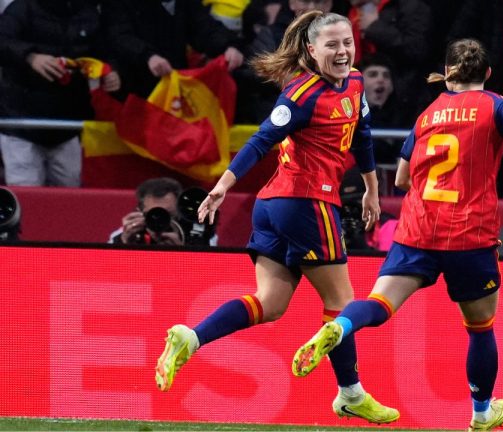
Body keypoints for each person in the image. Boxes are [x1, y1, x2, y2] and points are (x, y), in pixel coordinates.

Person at [291, 39, 503, 431]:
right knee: (480, 326)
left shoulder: (427, 114)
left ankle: (340, 327)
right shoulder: (497, 105)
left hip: (418, 230)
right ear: (488, 74)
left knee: (378, 304)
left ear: (447, 73)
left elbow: (402, 178)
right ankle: (480, 413)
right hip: (469, 234)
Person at [153, 11, 399, 424]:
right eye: (332, 45)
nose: (342, 52)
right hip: (307, 203)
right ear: (311, 49)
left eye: (347, 43)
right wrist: (224, 185)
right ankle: (350, 392)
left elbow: (362, 135)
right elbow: (262, 138)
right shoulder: (302, 94)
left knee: (270, 304)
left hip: (277, 206)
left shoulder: (354, 82)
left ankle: (190, 338)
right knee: (341, 303)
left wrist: (373, 189)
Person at [0, 0, 121, 187]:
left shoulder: (89, 13)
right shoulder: (22, 8)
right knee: (26, 195)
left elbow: (106, 50)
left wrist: (111, 71)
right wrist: (30, 57)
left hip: (68, 125)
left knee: (70, 195)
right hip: (21, 125)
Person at [102, 0, 244, 98]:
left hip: (173, 86)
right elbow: (118, 35)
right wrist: (148, 55)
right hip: (130, 86)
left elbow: (202, 27)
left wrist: (228, 46)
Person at [108, 177, 218, 246]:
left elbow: (208, 272)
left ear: (179, 211)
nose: (160, 219)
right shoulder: (132, 230)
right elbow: (108, 269)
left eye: (168, 214)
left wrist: (182, 252)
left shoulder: (197, 232)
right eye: (154, 213)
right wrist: (123, 243)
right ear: (140, 211)